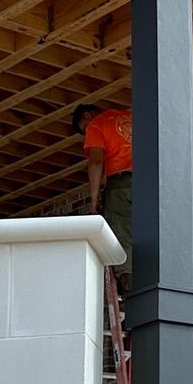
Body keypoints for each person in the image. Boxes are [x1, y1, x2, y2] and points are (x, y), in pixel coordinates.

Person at [72, 103, 133, 276]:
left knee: (120, 228)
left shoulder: (96, 124)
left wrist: (94, 199)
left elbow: (96, 161)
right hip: (149, 180)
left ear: (86, 116)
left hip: (120, 183)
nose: (87, 134)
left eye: (84, 131)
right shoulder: (131, 116)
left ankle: (127, 276)